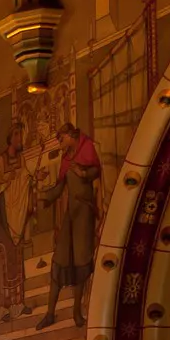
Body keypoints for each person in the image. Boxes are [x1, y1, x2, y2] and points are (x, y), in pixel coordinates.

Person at [38, 123, 101, 329]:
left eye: (62, 139)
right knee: (59, 261)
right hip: (70, 215)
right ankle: (49, 313)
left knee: (81, 263)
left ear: (71, 135)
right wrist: (44, 198)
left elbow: (96, 170)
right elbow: (59, 188)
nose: (60, 143)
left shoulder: (87, 147)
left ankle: (76, 312)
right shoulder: (66, 160)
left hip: (84, 214)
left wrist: (83, 174)